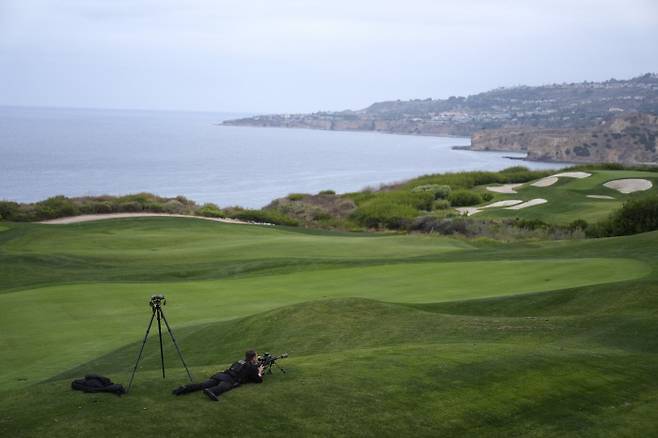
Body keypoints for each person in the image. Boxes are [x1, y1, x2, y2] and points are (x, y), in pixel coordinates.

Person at [172, 350, 264, 401]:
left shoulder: (239, 361)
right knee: (223, 387)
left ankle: (183, 389)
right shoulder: (251, 367)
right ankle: (211, 391)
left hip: (221, 375)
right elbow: (258, 380)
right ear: (253, 358)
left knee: (203, 384)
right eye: (256, 357)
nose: (257, 358)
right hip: (229, 379)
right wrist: (259, 371)